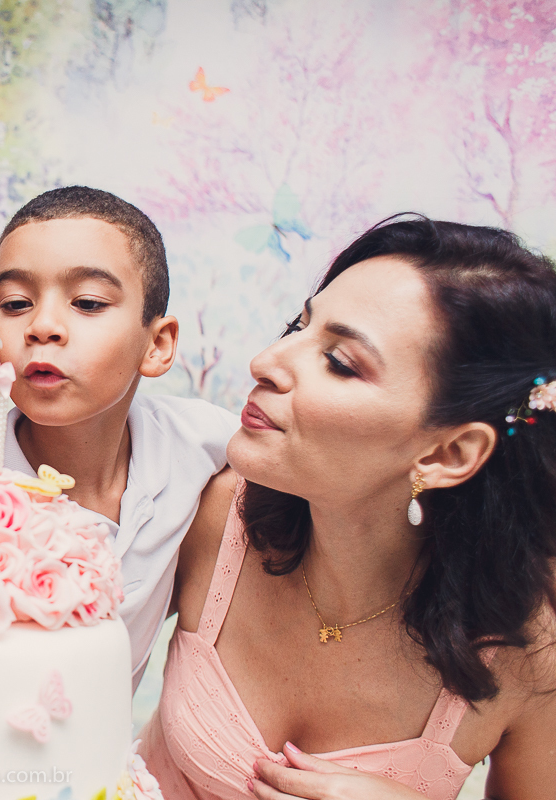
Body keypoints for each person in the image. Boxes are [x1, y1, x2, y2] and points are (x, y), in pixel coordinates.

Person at [140, 216, 556, 800]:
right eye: (297, 325)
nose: (266, 360)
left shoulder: (527, 649)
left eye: (339, 360)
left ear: (449, 453)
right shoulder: (209, 515)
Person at [0, 186, 239, 689]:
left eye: (87, 302)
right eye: (15, 304)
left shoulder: (196, 441)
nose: (42, 326)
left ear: (157, 345)